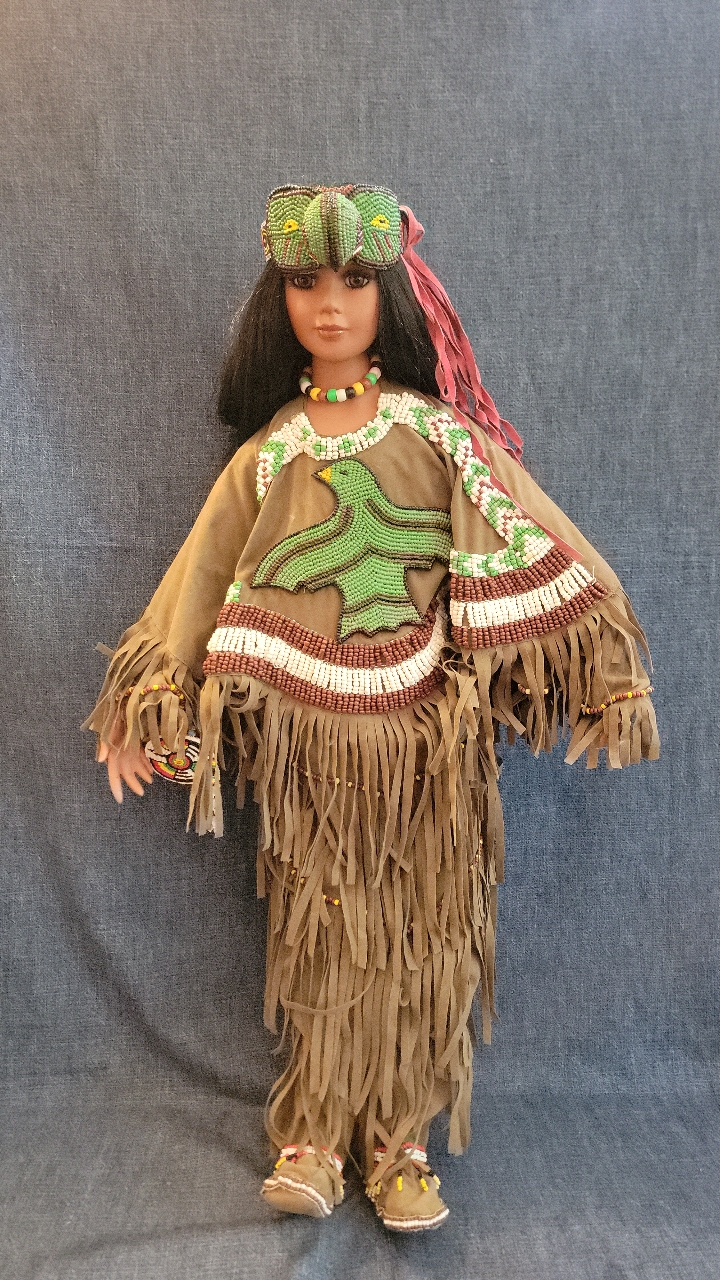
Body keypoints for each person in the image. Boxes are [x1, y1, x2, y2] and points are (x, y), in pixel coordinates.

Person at [86, 184, 659, 1232]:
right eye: (306, 281)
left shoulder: (439, 438)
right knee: (317, 937)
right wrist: (147, 699)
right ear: (278, 303)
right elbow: (201, 576)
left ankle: (399, 1143)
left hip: (427, 747)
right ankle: (313, 1133)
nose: (331, 304)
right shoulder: (272, 455)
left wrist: (606, 672)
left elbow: (532, 525)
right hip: (310, 753)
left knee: (424, 942)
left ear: (390, 298)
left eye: (355, 281)